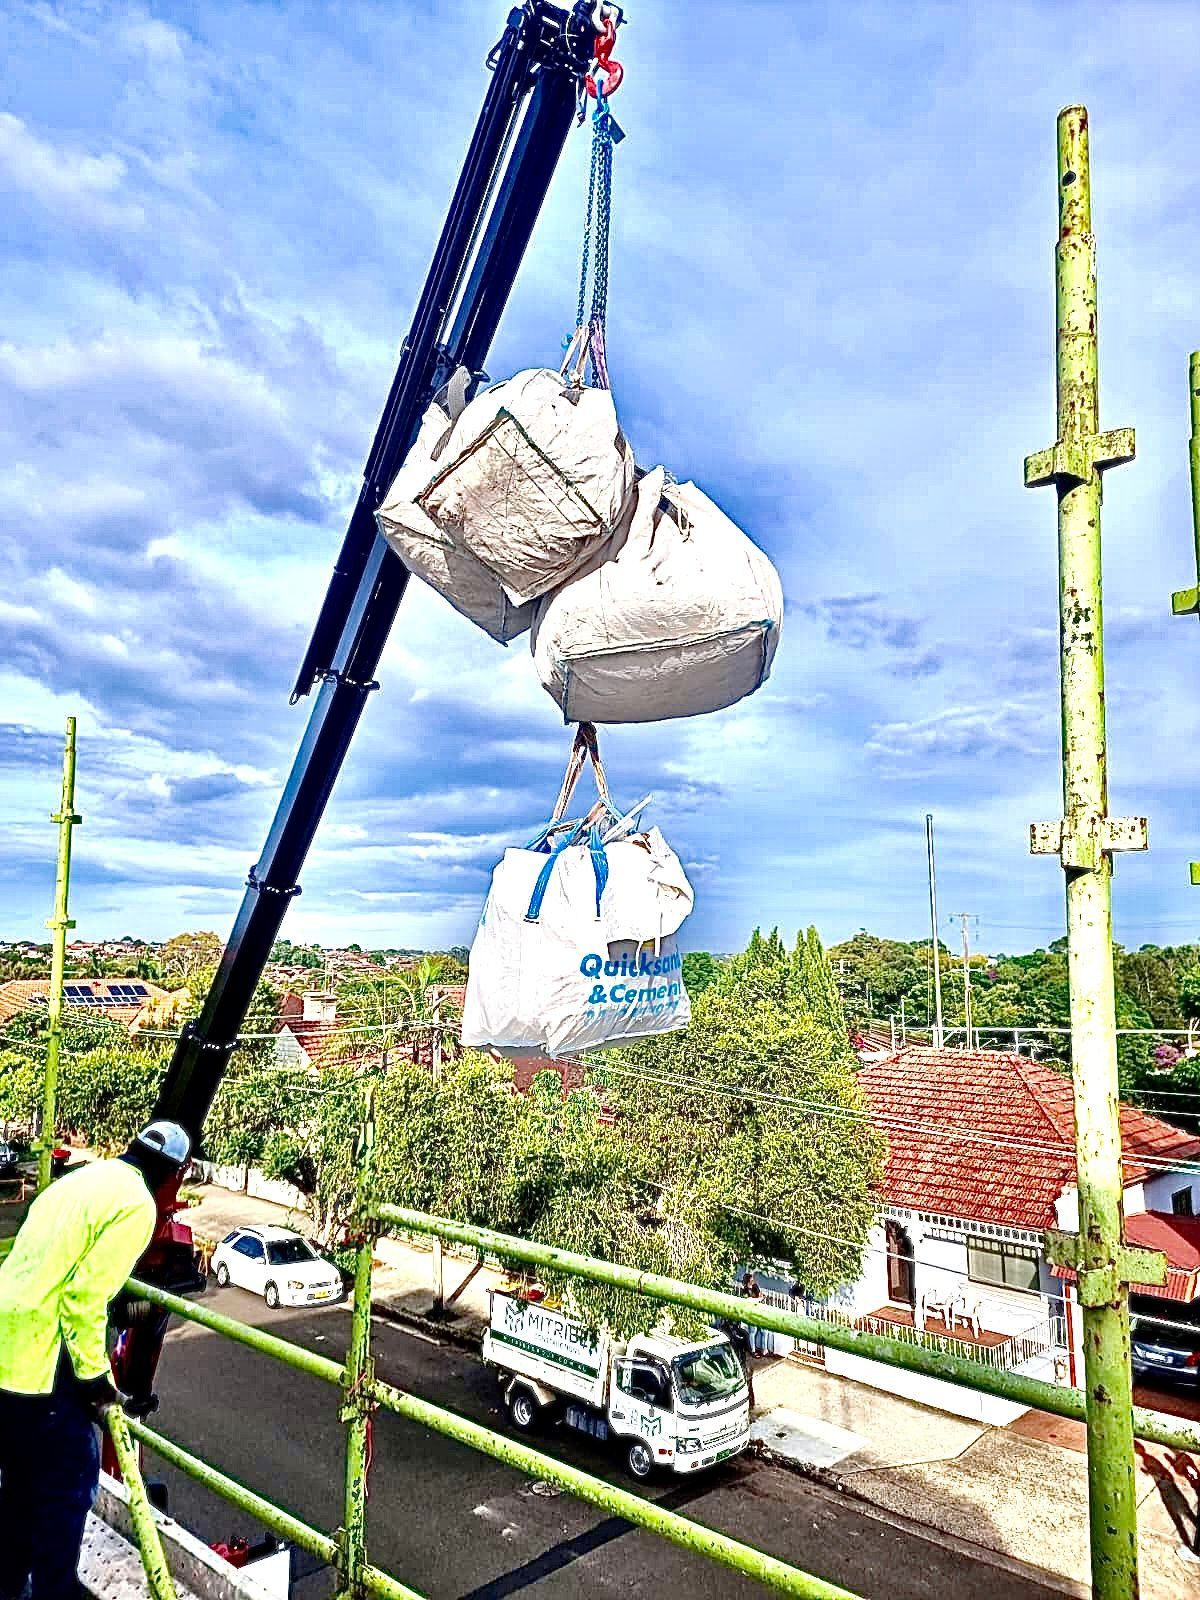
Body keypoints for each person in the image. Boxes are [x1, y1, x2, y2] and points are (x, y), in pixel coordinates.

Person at [0, 1120, 192, 1600]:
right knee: (69, 1482)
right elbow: (84, 1300)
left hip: (6, 1342)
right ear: (175, 1174)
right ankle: (55, 1590)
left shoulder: (81, 1179)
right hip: (41, 1361)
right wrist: (96, 1382)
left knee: (19, 1484)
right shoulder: (136, 1206)